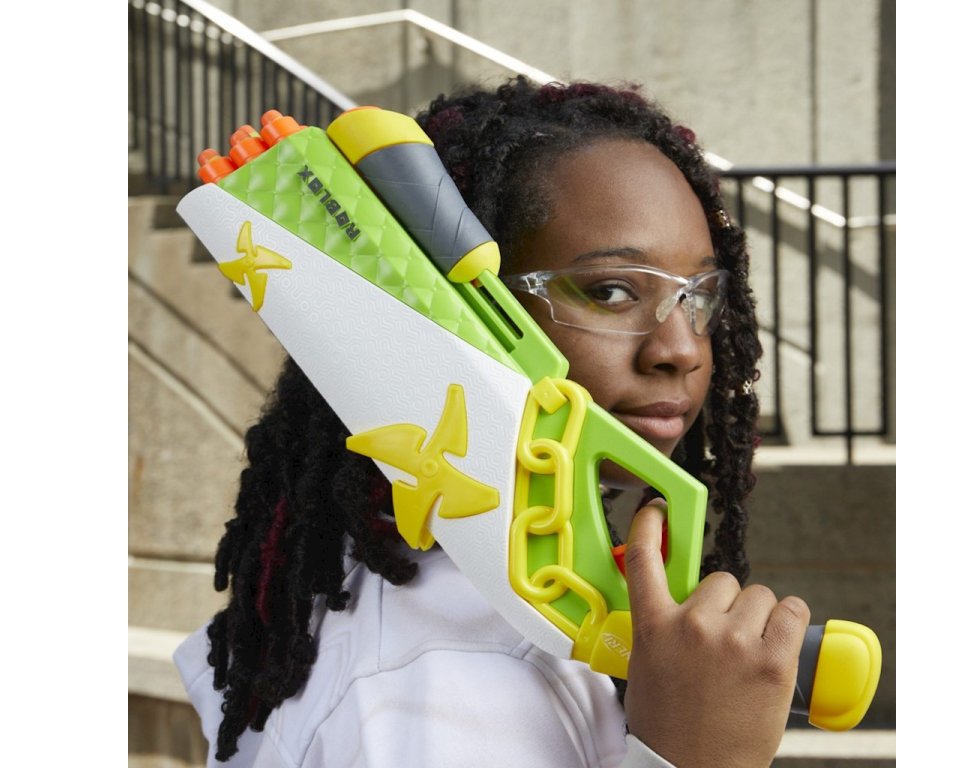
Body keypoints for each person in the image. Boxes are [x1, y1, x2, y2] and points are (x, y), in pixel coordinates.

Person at [174, 76, 810, 768]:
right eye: (610, 291)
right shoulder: (442, 686)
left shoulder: (479, 602)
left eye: (700, 296)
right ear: (451, 317)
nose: (682, 349)